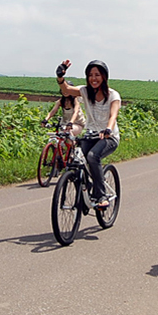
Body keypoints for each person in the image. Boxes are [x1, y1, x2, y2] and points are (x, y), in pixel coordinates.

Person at [55, 59, 120, 209]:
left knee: (93, 156)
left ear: (104, 76)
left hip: (109, 137)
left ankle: (101, 195)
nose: (93, 78)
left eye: (97, 74)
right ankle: (85, 189)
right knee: (76, 160)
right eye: (90, 75)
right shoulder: (84, 91)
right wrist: (60, 77)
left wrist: (108, 130)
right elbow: (66, 91)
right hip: (91, 134)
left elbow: (113, 116)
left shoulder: (113, 95)